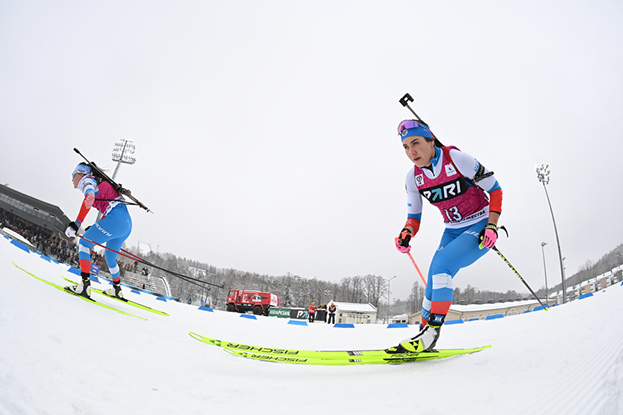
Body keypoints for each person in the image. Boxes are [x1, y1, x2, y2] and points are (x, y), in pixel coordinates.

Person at [388, 119, 502, 353]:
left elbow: (495, 189)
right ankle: (423, 336)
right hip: (452, 229)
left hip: (479, 225)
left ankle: (431, 334)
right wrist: (406, 233)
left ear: (431, 140)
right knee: (432, 283)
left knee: (441, 267)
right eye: (406, 147)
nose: (412, 152)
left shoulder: (457, 159)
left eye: (416, 143)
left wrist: (492, 226)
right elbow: (414, 217)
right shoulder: (413, 178)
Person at [65, 163, 133, 299]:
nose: (72, 179)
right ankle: (117, 289)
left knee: (84, 244)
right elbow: (110, 206)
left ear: (80, 174)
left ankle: (84, 285)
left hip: (115, 220)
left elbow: (89, 197)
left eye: (73, 175)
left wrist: (76, 224)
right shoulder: (101, 182)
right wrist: (98, 225)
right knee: (110, 257)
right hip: (126, 224)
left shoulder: (87, 181)